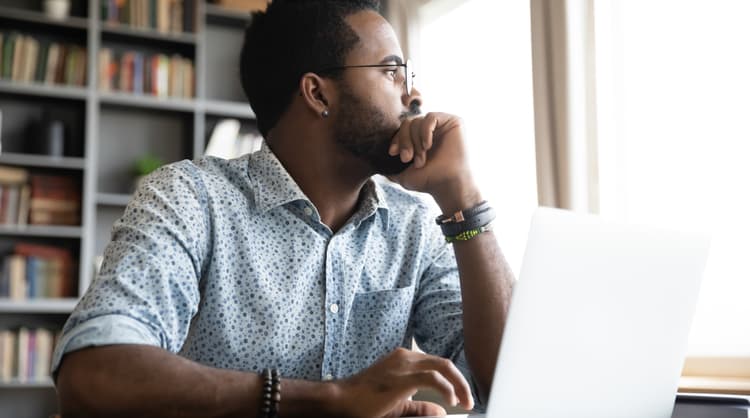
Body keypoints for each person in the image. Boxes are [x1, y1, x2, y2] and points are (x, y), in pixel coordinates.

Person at [53, 1, 515, 417]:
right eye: (391, 72)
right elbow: (93, 371)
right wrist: (330, 401)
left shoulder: (415, 225)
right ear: (318, 94)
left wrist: (464, 200)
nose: (413, 96)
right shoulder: (191, 199)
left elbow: (504, 385)